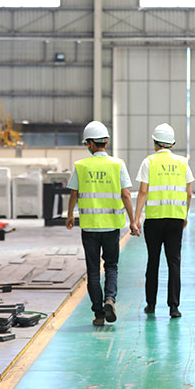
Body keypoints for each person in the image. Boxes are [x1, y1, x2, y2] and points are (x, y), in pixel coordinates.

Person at [66, 121, 138, 327]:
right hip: (112, 226)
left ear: (89, 143)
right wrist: (133, 221)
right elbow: (126, 194)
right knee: (112, 266)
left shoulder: (81, 166)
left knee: (93, 271)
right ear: (105, 142)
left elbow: (74, 193)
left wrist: (70, 215)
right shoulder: (118, 165)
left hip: (89, 227)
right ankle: (110, 299)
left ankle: (98, 314)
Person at [134, 123, 194, 319]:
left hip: (154, 219)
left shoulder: (148, 162)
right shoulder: (183, 162)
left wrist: (136, 218)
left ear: (155, 142)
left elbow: (143, 191)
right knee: (174, 262)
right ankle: (174, 307)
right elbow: (189, 194)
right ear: (172, 143)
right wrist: (184, 215)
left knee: (153, 261)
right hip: (175, 219)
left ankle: (151, 304)